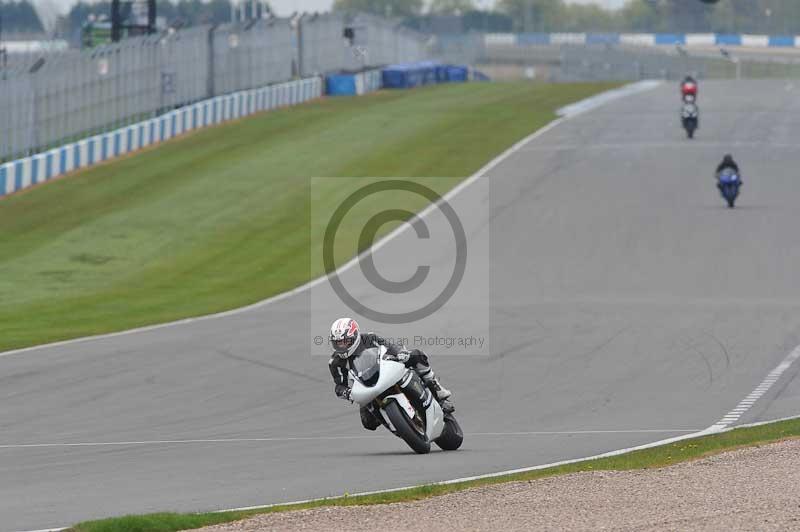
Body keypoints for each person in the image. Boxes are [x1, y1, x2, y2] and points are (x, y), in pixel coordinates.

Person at [328, 318, 455, 430]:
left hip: (385, 369)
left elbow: (389, 345)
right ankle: (391, 419)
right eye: (338, 342)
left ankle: (437, 388)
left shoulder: (369, 338)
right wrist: (347, 393)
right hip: (365, 386)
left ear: (355, 336)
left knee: (416, 355)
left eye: (346, 341)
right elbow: (339, 386)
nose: (342, 345)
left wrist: (400, 353)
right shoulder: (335, 362)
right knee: (368, 423)